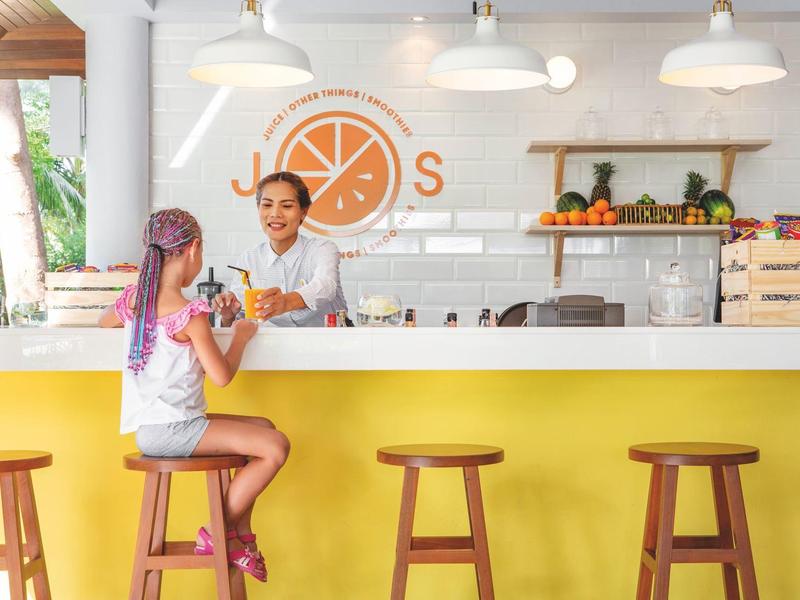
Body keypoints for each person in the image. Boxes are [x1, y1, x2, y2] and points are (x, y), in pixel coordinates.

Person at [99, 208, 289, 582]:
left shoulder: (133, 300)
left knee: (263, 428)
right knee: (276, 446)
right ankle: (217, 532)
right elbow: (221, 377)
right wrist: (240, 337)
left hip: (153, 429)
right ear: (193, 249)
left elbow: (104, 321)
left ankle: (236, 538)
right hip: (175, 430)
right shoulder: (190, 312)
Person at [214, 171, 347, 327]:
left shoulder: (322, 249)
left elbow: (326, 286)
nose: (275, 213)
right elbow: (240, 319)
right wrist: (228, 317)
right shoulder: (249, 259)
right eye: (267, 205)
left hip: (330, 347)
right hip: (272, 349)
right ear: (259, 208)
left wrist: (285, 301)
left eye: (287, 206)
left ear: (303, 212)